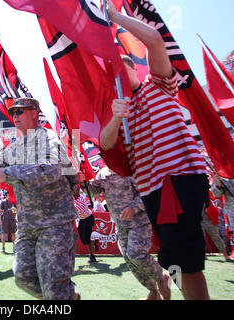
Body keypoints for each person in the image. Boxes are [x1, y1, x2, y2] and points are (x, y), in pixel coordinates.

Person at [100, 0, 210, 300]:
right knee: (173, 258)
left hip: (179, 179)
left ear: (133, 68)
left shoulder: (158, 84)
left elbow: (154, 39)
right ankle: (173, 292)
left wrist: (112, 15)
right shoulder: (120, 109)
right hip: (153, 191)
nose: (118, 76)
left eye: (121, 68)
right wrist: (116, 118)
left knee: (184, 260)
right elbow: (105, 143)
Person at [0, 97, 81, 300]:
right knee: (23, 277)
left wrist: (8, 173)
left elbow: (51, 170)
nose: (14, 116)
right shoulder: (15, 146)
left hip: (55, 222)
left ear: (34, 113)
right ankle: (66, 296)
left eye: (19, 112)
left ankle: (62, 296)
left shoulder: (49, 138)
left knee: (52, 282)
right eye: (12, 113)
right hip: (27, 224)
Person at [81, 167, 170, 300]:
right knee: (130, 260)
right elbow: (92, 191)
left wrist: (134, 208)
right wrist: (83, 183)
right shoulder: (103, 173)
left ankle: (161, 277)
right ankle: (153, 291)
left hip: (139, 223)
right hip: (120, 225)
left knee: (136, 255)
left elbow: (146, 193)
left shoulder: (130, 169)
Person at [74, 192, 97, 263]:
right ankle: (94, 241)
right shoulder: (71, 199)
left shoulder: (81, 197)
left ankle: (92, 257)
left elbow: (80, 210)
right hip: (81, 220)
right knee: (83, 240)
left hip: (88, 218)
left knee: (86, 239)